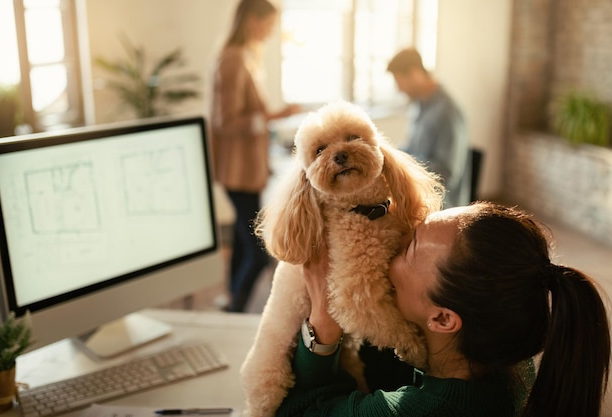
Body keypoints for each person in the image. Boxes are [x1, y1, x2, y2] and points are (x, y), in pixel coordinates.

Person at [276, 201, 611, 417]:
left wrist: (322, 323)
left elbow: (293, 412)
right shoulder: (508, 357)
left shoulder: (419, 411)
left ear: (442, 318)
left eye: (409, 249)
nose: (394, 247)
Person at [210, 0, 300, 312]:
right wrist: (272, 118)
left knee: (241, 238)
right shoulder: (233, 59)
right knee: (258, 247)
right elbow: (226, 120)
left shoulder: (245, 57)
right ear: (252, 20)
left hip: (247, 169)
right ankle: (237, 307)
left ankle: (232, 302)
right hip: (237, 170)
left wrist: (273, 116)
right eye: (268, 24)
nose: (271, 31)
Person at [387, 48, 471, 208]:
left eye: (399, 81)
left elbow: (447, 173)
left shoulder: (448, 111)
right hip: (419, 193)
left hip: (441, 205)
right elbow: (411, 149)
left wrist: (404, 164)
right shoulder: (419, 105)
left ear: (414, 73)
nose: (398, 89)